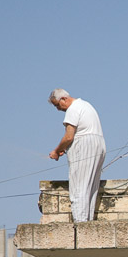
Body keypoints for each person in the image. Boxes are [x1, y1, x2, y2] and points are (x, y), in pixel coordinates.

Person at [48, 88, 106, 222]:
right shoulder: (86, 105)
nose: (58, 109)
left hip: (84, 146)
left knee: (79, 187)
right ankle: (88, 222)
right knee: (91, 188)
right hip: (99, 145)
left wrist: (57, 151)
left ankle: (80, 224)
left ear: (63, 99)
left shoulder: (73, 109)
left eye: (57, 105)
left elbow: (69, 137)